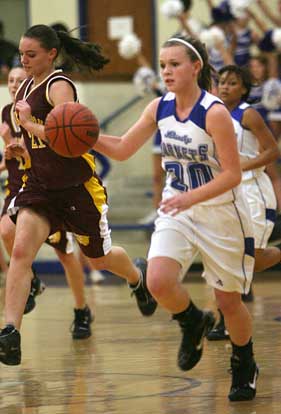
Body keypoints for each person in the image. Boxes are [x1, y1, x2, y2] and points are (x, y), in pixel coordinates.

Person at [94, 34, 258, 401]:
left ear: (196, 67)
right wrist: (86, 136)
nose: (166, 71)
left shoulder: (213, 112)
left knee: (229, 301)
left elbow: (232, 174)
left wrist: (191, 198)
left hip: (222, 213)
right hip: (177, 209)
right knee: (158, 281)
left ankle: (244, 362)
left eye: (174, 64)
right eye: (163, 65)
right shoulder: (159, 108)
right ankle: (192, 320)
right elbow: (121, 148)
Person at [0, 24, 157, 366]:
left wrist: (29, 126)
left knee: (98, 259)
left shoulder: (59, 87)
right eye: (22, 54)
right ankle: (10, 332)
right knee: (21, 249)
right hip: (39, 186)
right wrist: (20, 150)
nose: (24, 61)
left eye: (31, 54)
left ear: (51, 54)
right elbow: (38, 144)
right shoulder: (25, 86)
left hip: (77, 187)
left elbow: (68, 142)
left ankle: (137, 276)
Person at [0, 66, 94, 339]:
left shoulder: (45, 105)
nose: (16, 85)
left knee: (65, 254)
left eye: (21, 80)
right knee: (6, 230)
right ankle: (32, 281)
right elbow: (15, 159)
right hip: (21, 187)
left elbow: (45, 152)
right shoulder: (8, 113)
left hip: (48, 186)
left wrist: (17, 143)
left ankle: (81, 309)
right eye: (11, 80)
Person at [206, 65, 280, 341]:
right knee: (228, 256)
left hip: (252, 190)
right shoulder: (214, 114)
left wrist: (244, 165)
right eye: (222, 81)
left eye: (233, 83)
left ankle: (227, 316)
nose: (225, 86)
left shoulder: (249, 114)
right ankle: (224, 318)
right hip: (227, 191)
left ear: (244, 89)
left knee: (250, 258)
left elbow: (272, 150)